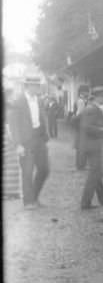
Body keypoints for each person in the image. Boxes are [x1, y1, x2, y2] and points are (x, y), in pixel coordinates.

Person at [8, 77, 50, 209]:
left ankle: (34, 198)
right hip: (26, 141)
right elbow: (13, 125)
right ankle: (28, 202)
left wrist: (45, 135)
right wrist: (18, 144)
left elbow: (42, 117)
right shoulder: (18, 102)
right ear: (28, 86)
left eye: (38, 86)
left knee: (44, 169)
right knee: (27, 171)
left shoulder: (40, 100)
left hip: (39, 138)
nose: (38, 88)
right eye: (35, 86)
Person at [79, 86, 103, 210]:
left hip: (92, 144)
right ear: (97, 97)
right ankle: (85, 202)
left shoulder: (94, 108)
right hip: (92, 145)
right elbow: (86, 127)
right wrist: (101, 130)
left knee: (96, 172)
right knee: (95, 173)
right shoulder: (92, 109)